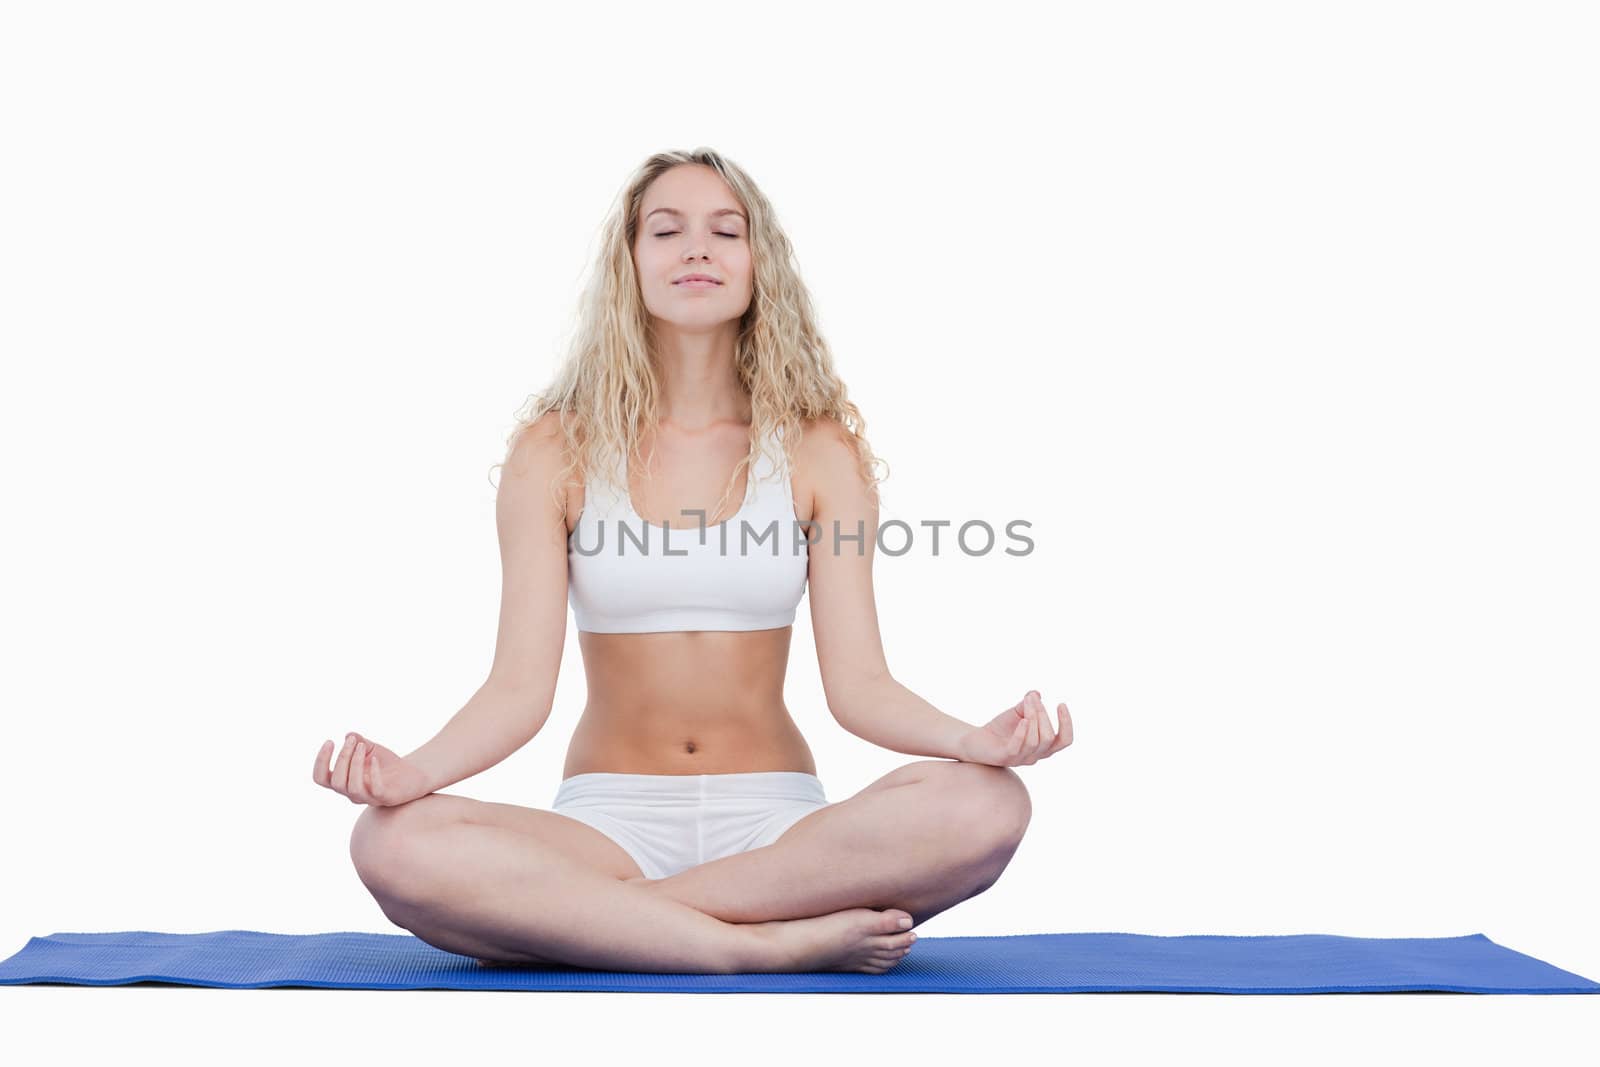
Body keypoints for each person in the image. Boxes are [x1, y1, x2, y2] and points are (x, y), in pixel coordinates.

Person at [312, 148, 1073, 975]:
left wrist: (975, 739)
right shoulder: (555, 451)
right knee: (392, 841)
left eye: (725, 230)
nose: (697, 249)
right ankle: (757, 944)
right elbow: (517, 691)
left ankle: (604, 927)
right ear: (630, 265)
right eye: (666, 230)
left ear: (758, 266)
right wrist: (408, 773)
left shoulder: (819, 453)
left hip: (781, 829)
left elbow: (861, 687)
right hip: (606, 824)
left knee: (988, 804)